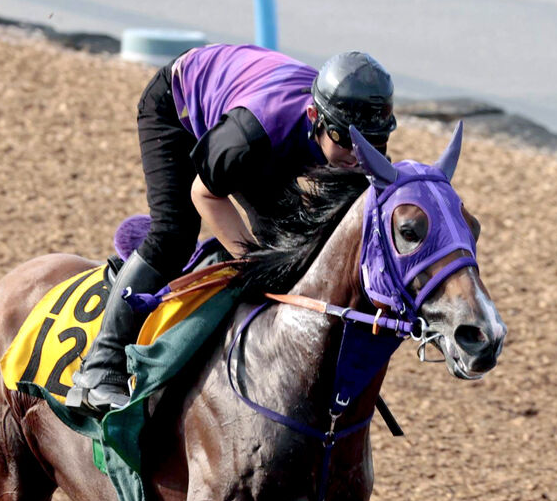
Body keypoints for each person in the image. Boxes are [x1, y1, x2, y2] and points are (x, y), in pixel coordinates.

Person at [66, 46, 397, 417]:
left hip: (253, 115)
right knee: (174, 235)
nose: (359, 154)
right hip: (178, 109)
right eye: (347, 141)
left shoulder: (352, 137)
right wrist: (249, 261)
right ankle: (100, 367)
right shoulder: (254, 135)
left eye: (371, 141)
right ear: (314, 116)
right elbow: (204, 194)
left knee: (287, 248)